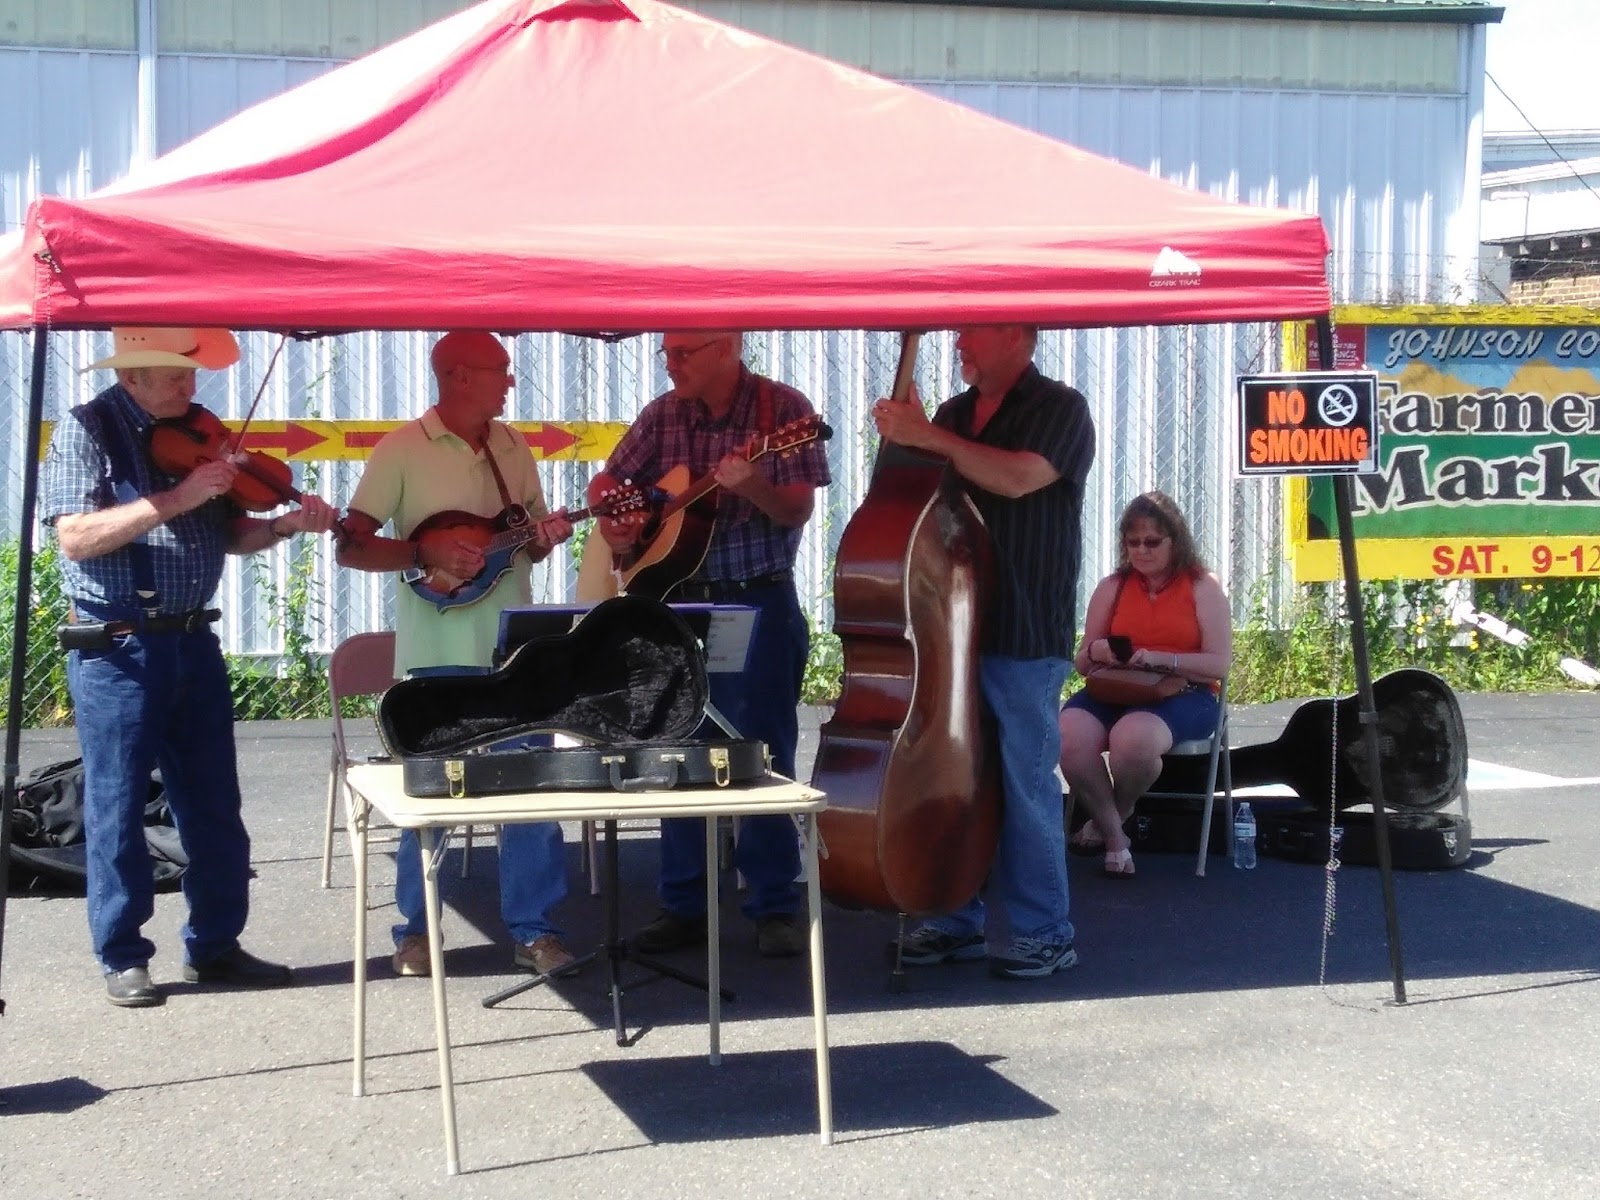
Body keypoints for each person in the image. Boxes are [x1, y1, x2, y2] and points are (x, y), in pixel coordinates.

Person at [41, 325, 339, 1008]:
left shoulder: (199, 431)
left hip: (191, 640)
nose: (191, 386)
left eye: (190, 372)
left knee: (212, 801)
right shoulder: (87, 430)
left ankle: (216, 945)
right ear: (132, 378)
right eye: (175, 375)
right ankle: (121, 954)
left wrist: (285, 527)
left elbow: (233, 534)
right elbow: (74, 538)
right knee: (116, 802)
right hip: (117, 641)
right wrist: (182, 494)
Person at [336, 331, 576, 978]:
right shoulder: (401, 450)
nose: (511, 382)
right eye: (501, 370)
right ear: (459, 376)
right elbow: (350, 546)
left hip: (514, 653)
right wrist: (424, 553)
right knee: (430, 800)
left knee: (529, 796)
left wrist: (549, 535)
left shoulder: (513, 445)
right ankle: (415, 932)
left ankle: (536, 932)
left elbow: (528, 539)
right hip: (436, 653)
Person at [587, 331, 830, 959]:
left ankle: (775, 902)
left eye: (684, 351)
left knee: (765, 748)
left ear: (727, 346)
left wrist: (751, 486)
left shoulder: (785, 413)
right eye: (667, 352)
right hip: (677, 600)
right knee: (675, 747)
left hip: (758, 597)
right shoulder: (663, 415)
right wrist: (621, 522)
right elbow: (605, 485)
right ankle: (684, 905)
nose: (671, 363)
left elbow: (796, 510)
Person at [873, 325, 1095, 979]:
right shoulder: (953, 413)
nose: (960, 342)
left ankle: (1045, 933)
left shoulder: (1061, 407)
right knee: (954, 781)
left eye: (974, 331)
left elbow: (1020, 478)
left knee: (1024, 785)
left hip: (1023, 629)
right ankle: (952, 917)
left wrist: (930, 437)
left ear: (1016, 336)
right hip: (951, 626)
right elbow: (911, 495)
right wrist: (900, 440)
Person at [1059, 491, 1232, 877]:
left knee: (1132, 739)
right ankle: (1117, 839)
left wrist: (1162, 659)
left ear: (1176, 540)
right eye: (1133, 542)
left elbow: (1219, 665)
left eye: (1152, 542)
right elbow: (1082, 662)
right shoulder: (1113, 586)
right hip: (1117, 686)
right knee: (1067, 735)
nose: (1141, 550)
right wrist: (1100, 651)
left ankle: (1112, 816)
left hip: (1186, 692)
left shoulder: (1202, 586)